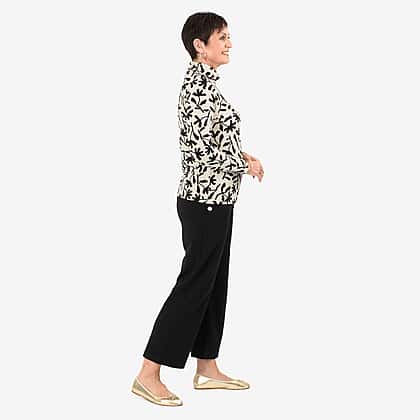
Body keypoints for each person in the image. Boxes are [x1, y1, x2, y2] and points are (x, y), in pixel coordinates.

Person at [131, 12, 264, 407]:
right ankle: (147, 374)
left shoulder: (208, 85)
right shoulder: (198, 88)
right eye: (221, 37)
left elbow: (211, 141)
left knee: (213, 283)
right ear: (199, 46)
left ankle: (206, 367)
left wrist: (241, 154)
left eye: (228, 36)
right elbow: (206, 153)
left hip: (217, 198)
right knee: (193, 286)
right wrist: (244, 164)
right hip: (203, 201)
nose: (229, 43)